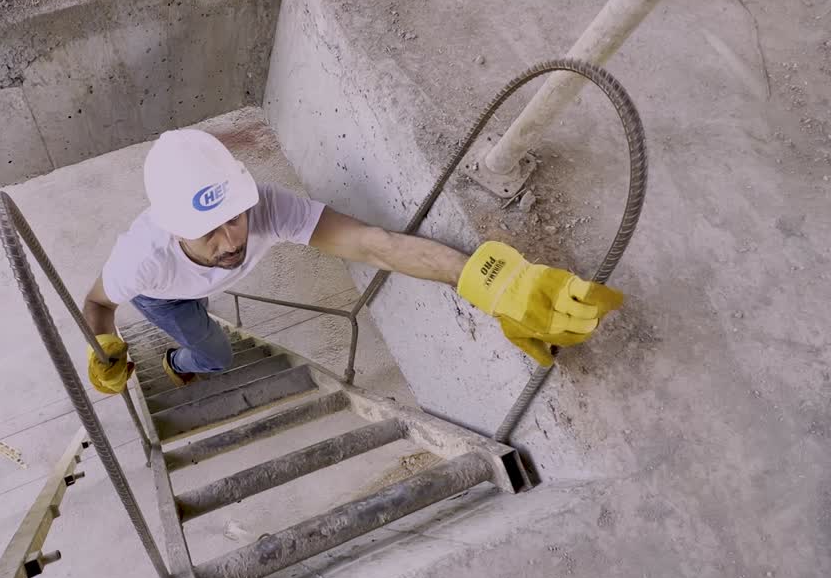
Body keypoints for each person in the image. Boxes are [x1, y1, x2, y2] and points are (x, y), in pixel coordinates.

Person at [82, 129, 622, 393]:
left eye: (236, 218)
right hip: (166, 299)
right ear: (175, 228)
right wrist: (104, 345)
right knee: (218, 355)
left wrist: (489, 279)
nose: (231, 242)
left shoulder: (263, 206)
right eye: (209, 232)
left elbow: (372, 244)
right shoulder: (140, 261)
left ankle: (194, 335)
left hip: (193, 283)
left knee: (216, 292)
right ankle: (180, 363)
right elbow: (98, 304)